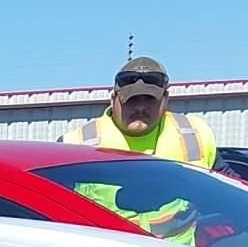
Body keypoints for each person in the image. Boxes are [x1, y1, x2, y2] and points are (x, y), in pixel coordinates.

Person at [70, 57, 218, 169]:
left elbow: (229, 190)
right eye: (131, 100)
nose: (140, 107)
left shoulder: (196, 136)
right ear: (113, 99)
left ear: (165, 100)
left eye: (149, 99)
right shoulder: (75, 145)